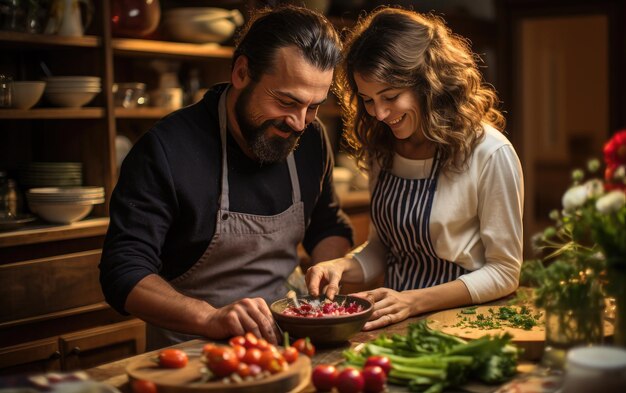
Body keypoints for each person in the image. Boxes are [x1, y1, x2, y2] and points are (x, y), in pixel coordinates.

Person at [99, 5, 353, 350]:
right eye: (286, 102)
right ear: (242, 72)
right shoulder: (167, 149)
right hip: (192, 350)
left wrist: (329, 276)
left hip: (286, 340)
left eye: (313, 106)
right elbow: (122, 271)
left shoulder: (310, 138)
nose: (298, 122)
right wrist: (209, 318)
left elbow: (327, 226)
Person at [306, 7, 524, 331]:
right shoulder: (383, 149)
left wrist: (414, 301)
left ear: (428, 84)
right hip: (397, 322)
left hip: (466, 325)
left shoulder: (489, 153)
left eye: (390, 96)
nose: (378, 113)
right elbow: (384, 249)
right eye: (367, 100)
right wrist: (342, 266)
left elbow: (504, 273)